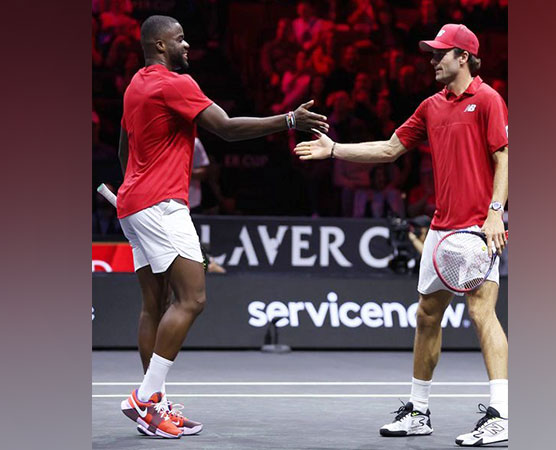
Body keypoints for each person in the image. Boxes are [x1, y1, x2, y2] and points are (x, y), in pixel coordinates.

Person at [294, 23, 508, 447]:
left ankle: (502, 415)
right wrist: (335, 149)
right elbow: (390, 149)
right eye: (431, 53)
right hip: (440, 228)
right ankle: (419, 411)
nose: (432, 60)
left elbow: (504, 158)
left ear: (462, 57)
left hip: (478, 229)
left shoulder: (487, 99)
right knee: (427, 316)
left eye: (440, 54)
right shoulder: (430, 106)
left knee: (482, 313)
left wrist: (495, 213)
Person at [117, 15, 329, 439]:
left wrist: (134, 190)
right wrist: (288, 120)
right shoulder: (175, 84)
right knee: (192, 299)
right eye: (179, 39)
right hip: (162, 205)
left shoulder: (135, 85)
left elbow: (125, 148)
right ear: (160, 45)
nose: (187, 44)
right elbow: (228, 129)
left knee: (154, 305)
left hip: (132, 205)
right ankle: (145, 398)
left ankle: (153, 404)